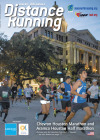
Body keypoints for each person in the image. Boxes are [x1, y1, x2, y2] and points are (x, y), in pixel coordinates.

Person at [64, 69, 92, 133]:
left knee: (89, 113)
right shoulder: (78, 82)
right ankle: (65, 125)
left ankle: (81, 125)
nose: (86, 73)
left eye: (86, 72)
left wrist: (88, 92)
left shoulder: (85, 83)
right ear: (80, 74)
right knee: (71, 115)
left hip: (83, 102)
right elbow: (72, 91)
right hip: (76, 102)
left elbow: (83, 91)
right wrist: (81, 95)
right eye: (84, 72)